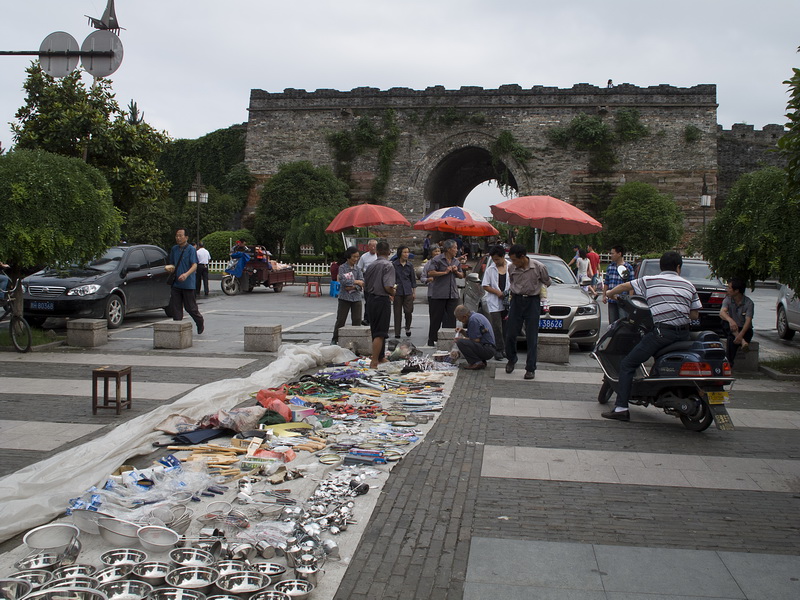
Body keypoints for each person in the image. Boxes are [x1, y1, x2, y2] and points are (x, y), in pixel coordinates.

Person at [602, 251, 701, 421]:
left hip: (662, 334)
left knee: (627, 364)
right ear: (678, 267)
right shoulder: (689, 285)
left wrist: (609, 293)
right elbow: (694, 315)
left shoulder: (650, 280)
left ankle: (621, 409)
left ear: (661, 266)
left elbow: (625, 287)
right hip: (684, 335)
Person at [504, 244, 551, 380]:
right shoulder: (511, 267)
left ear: (523, 257)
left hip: (532, 302)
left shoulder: (539, 267)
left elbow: (547, 282)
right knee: (511, 333)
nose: (513, 263)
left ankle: (530, 368)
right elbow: (512, 281)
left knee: (532, 336)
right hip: (516, 301)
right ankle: (511, 359)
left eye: (515, 260)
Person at [363, 241, 396, 369]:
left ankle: (381, 356)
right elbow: (388, 286)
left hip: (370, 299)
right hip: (382, 299)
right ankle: (374, 361)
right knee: (381, 333)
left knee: (375, 329)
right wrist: (393, 291)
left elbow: (366, 284)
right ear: (388, 252)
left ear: (376, 252)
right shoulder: (388, 265)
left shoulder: (371, 265)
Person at [426, 239, 464, 347]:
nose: (457, 250)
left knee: (451, 318)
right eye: (455, 248)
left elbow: (461, 275)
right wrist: (445, 272)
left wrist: (456, 271)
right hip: (439, 293)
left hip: (452, 294)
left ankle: (449, 338)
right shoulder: (437, 260)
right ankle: (432, 339)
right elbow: (431, 272)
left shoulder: (456, 261)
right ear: (448, 249)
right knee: (436, 318)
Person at [168, 228, 204, 334]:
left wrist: (186, 274)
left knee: (191, 308)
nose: (178, 238)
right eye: (177, 236)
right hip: (176, 283)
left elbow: (194, 265)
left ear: (186, 237)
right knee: (176, 308)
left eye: (180, 235)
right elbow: (173, 264)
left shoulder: (191, 249)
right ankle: (178, 330)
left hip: (188, 284)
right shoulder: (174, 249)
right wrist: (170, 268)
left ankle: (199, 321)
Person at [481, 245, 510, 361]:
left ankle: (506, 349)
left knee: (507, 326)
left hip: (508, 301)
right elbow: (485, 285)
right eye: (494, 259)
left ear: (503, 257)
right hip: (494, 302)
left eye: (497, 259)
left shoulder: (511, 267)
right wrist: (497, 292)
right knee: (497, 326)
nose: (496, 261)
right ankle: (498, 349)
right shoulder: (490, 269)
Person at [332, 247, 364, 344]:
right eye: (354, 257)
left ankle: (356, 340)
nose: (356, 259)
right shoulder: (342, 267)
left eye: (357, 257)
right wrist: (355, 281)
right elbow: (343, 280)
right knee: (341, 320)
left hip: (356, 298)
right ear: (348, 257)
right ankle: (335, 339)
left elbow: (362, 282)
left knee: (357, 320)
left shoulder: (358, 269)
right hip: (344, 298)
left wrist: (354, 287)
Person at [719, 277, 754, 366]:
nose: (727, 290)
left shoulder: (749, 303)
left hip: (744, 330)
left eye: (730, 288)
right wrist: (731, 320)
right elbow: (722, 313)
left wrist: (740, 335)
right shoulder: (728, 299)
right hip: (732, 327)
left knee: (731, 339)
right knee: (724, 322)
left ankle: (728, 364)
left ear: (736, 291)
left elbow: (748, 321)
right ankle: (742, 343)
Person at [454, 304, 496, 370]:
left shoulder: (473, 320)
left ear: (465, 316)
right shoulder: (476, 316)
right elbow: (472, 335)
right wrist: (462, 331)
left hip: (488, 350)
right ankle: (481, 361)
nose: (461, 322)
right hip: (488, 348)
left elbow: (476, 340)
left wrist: (462, 339)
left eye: (460, 320)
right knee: (462, 341)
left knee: (460, 342)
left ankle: (477, 362)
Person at [603, 245, 634, 324]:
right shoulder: (610, 267)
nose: (611, 255)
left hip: (622, 300)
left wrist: (629, 299)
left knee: (623, 322)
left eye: (613, 253)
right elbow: (606, 282)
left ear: (619, 254)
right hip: (611, 299)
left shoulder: (628, 267)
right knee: (612, 323)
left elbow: (631, 284)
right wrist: (604, 295)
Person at [392, 245, 416, 338]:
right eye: (404, 252)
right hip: (397, 291)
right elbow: (391, 279)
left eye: (407, 252)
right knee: (397, 313)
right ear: (400, 253)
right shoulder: (394, 265)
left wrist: (414, 292)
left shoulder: (409, 265)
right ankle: (397, 332)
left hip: (407, 291)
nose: (406, 254)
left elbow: (413, 280)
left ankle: (407, 327)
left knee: (408, 311)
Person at [358, 239, 378, 326]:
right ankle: (367, 318)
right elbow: (359, 268)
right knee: (368, 300)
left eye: (375, 246)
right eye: (371, 246)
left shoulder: (379, 256)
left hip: (377, 279)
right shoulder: (364, 257)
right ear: (368, 246)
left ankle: (375, 318)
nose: (373, 247)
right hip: (367, 279)